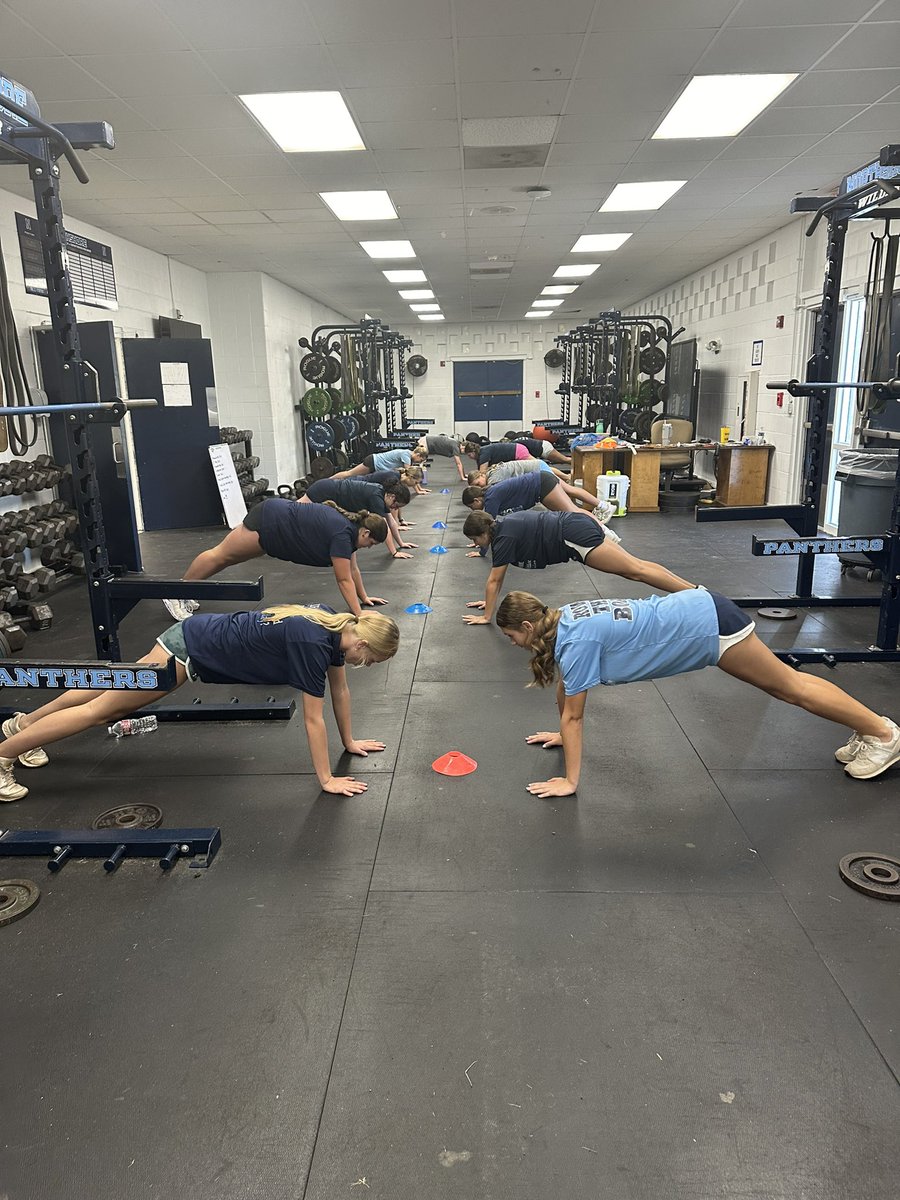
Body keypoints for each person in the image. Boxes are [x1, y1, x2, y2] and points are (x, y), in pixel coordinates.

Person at [495, 589, 900, 796]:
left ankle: (883, 735)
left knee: (791, 689)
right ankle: (870, 729)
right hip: (700, 611)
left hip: (707, 628)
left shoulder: (575, 642)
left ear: (528, 627)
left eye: (512, 636)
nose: (513, 644)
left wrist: (570, 781)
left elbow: (575, 714)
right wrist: (560, 733)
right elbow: (567, 687)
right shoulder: (563, 619)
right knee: (791, 686)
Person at [0, 605, 400, 802]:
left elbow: (340, 691)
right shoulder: (313, 643)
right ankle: (3, 754)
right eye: (371, 660)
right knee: (102, 710)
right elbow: (313, 719)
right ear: (363, 644)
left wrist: (349, 741)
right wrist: (326, 779)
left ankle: (23, 725)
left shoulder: (333, 624)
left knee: (111, 692)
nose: (365, 665)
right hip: (189, 649)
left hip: (195, 635)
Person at [461, 509, 696, 626]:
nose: (476, 544)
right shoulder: (502, 525)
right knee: (637, 566)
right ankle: (695, 591)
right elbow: (497, 580)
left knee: (635, 572)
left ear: (483, 533)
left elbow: (495, 580)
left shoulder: (503, 539)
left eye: (475, 539)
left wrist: (487, 616)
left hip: (573, 537)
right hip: (575, 523)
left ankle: (696, 596)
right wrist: (489, 600)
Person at [163, 500, 388, 621]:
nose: (369, 547)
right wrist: (358, 614)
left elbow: (353, 570)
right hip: (269, 522)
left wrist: (364, 598)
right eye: (371, 543)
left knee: (227, 560)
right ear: (366, 532)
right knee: (220, 555)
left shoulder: (350, 531)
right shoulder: (343, 536)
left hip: (275, 526)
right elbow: (343, 579)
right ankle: (175, 593)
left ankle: (188, 590)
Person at [302, 478, 416, 559]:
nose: (395, 509)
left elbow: (391, 522)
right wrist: (394, 552)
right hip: (323, 490)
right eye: (396, 505)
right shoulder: (376, 497)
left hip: (328, 488)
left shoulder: (382, 495)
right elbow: (384, 527)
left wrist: (401, 543)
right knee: (297, 513)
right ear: (392, 496)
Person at [461, 474, 615, 525]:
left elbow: (488, 525)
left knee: (572, 511)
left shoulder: (491, 498)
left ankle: (602, 530)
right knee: (569, 511)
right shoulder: (491, 493)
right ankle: (602, 517)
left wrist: (481, 549)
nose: (472, 510)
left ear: (476, 501)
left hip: (541, 483)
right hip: (540, 480)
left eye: (470, 507)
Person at [331, 446, 427, 480]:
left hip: (376, 465)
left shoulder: (408, 456)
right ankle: (328, 481)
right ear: (418, 455)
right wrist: (419, 490)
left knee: (354, 477)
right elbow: (410, 473)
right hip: (373, 462)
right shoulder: (406, 455)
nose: (419, 462)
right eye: (420, 460)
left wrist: (419, 489)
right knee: (349, 474)